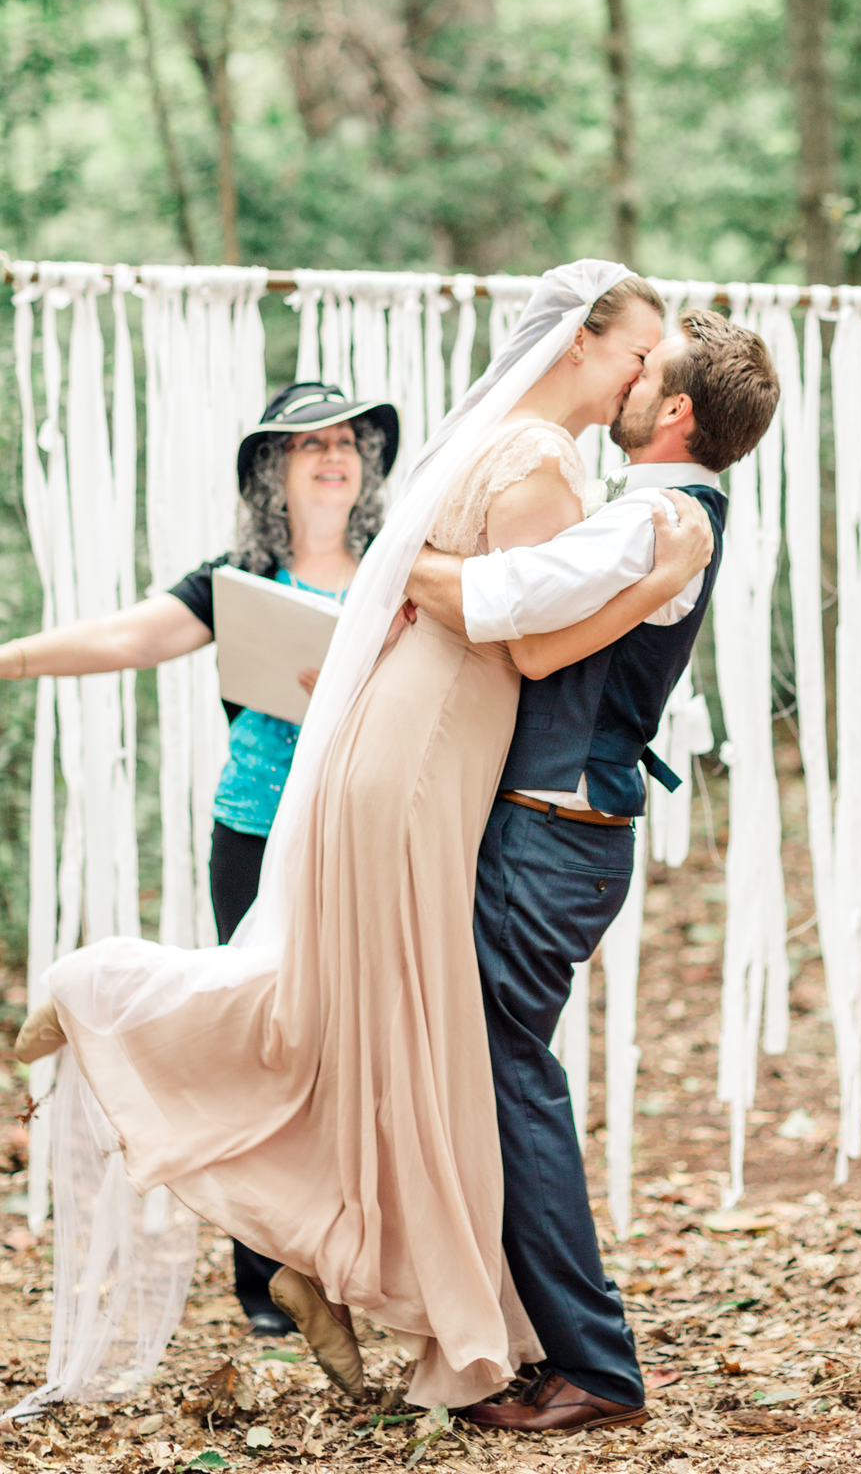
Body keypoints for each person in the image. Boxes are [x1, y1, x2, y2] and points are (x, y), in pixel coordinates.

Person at [14, 262, 716, 1417]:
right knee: (417, 1039)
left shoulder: (500, 445)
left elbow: (454, 596)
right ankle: (108, 992)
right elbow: (536, 651)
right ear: (582, 345)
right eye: (639, 351)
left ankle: (323, 1255)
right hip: (429, 753)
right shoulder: (540, 463)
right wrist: (663, 580)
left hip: (402, 742)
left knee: (373, 1025)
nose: (648, 375)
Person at [407, 310, 781, 1430]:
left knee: (510, 1082)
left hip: (554, 833)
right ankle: (537, 1336)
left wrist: (395, 548)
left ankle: (597, 1366)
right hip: (553, 828)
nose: (619, 380)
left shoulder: (657, 517)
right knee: (499, 1075)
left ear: (674, 411)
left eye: (642, 371)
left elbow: (490, 606)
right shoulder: (654, 514)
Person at [2, 379, 399, 1335]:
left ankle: (352, 1272)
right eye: (310, 445)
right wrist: (7, 657)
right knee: (263, 1040)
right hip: (256, 835)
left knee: (360, 1050)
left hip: (366, 839)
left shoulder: (399, 571)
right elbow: (126, 635)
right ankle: (266, 1283)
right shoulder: (233, 580)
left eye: (347, 441)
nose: (334, 455)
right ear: (275, 470)